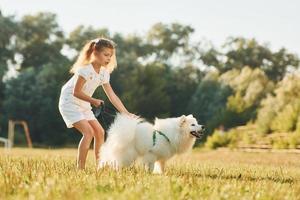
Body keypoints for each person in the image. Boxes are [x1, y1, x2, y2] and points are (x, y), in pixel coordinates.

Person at [58, 38, 136, 169]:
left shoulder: (104, 73)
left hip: (84, 103)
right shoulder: (84, 70)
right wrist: (93, 101)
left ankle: (100, 167)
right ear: (95, 52)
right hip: (69, 102)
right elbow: (76, 92)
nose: (109, 58)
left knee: (100, 132)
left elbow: (112, 96)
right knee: (88, 133)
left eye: (110, 56)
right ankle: (80, 169)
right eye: (106, 55)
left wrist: (126, 112)